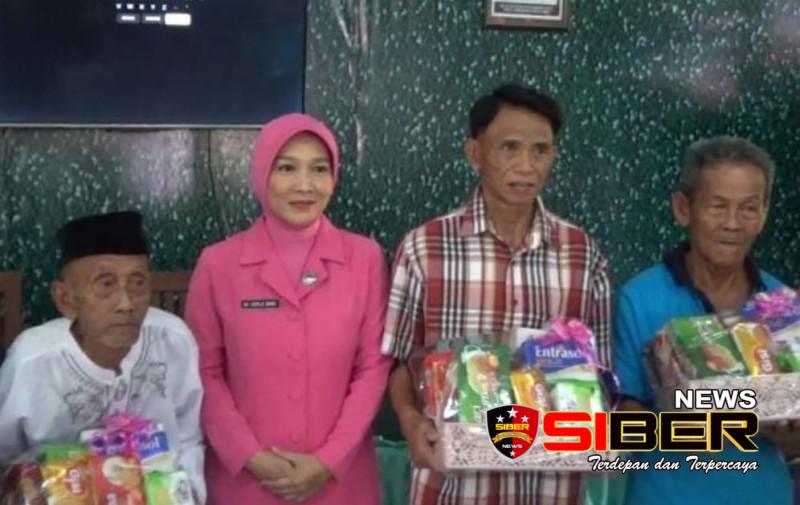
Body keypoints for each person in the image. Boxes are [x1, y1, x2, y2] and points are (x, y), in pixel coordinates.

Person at [381, 83, 612, 505]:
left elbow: (600, 371)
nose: (526, 166)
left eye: (540, 151)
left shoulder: (582, 254)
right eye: (509, 148)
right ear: (475, 153)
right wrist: (412, 422)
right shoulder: (424, 249)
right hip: (453, 490)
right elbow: (398, 362)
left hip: (551, 490)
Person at [185, 113, 391, 504]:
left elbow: (373, 368)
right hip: (246, 483)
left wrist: (328, 460)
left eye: (319, 169)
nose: (304, 185)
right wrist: (252, 457)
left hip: (340, 481)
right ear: (262, 173)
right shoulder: (218, 264)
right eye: (286, 168)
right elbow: (203, 372)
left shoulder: (364, 259)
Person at [614, 136, 795, 505]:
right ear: (684, 209)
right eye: (718, 206)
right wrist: (730, 420)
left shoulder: (782, 307)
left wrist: (784, 426)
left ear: (764, 214)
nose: (732, 223)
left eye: (748, 208)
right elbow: (622, 426)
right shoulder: (639, 298)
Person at [0, 211, 205, 502]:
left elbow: (188, 438)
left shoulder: (173, 340)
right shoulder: (32, 362)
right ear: (66, 299)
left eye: (137, 283)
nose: (126, 303)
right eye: (106, 285)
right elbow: (6, 459)